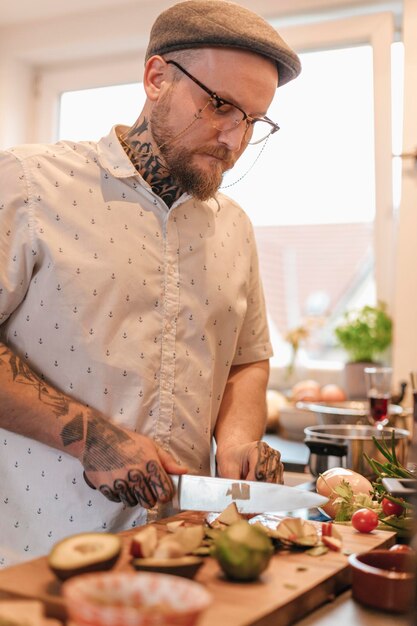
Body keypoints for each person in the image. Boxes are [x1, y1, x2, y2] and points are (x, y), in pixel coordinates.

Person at [0, 0, 301, 566]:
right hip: (30, 553)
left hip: (180, 552)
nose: (234, 141)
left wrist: (237, 440)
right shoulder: (26, 184)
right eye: (220, 107)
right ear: (156, 77)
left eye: (253, 121)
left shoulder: (234, 227)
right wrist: (88, 435)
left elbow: (246, 359)